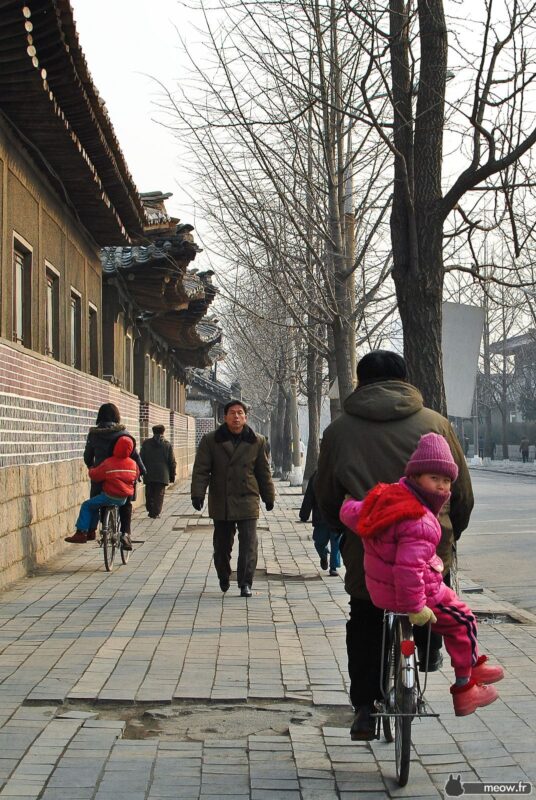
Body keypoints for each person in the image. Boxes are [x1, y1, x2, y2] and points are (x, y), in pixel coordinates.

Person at [316, 350, 474, 740]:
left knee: (365, 616)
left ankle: (366, 710)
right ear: (406, 379)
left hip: (369, 546)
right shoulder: (435, 423)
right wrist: (449, 536)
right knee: (432, 593)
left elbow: (327, 497)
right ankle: (427, 646)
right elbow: (463, 494)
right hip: (427, 540)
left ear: (360, 381)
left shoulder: (339, 430)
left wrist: (348, 530)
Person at [340, 433, 502, 717]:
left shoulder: (388, 496)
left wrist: (345, 505)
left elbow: (355, 512)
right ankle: (466, 686)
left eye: (446, 481)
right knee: (463, 619)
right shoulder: (421, 521)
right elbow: (408, 569)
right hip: (413, 593)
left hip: (381, 589)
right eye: (434, 478)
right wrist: (416, 608)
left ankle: (472, 666)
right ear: (415, 476)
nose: (441, 487)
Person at [191, 400, 275, 597]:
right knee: (221, 545)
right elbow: (201, 470)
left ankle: (245, 582)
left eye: (240, 413)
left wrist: (268, 496)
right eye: (232, 413)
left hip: (248, 498)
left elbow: (263, 472)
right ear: (224, 417)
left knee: (249, 543)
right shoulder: (211, 440)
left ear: (246, 417)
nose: (236, 417)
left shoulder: (257, 441)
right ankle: (223, 573)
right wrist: (198, 494)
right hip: (222, 499)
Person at [66, 403, 145, 548]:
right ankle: (126, 534)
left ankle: (92, 530)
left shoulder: (94, 434)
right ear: (117, 417)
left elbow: (87, 456)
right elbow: (134, 455)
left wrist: (92, 466)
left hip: (101, 475)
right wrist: (141, 471)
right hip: (122, 479)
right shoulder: (124, 434)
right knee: (125, 504)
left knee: (96, 501)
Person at [69, 436, 140, 543]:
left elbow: (96, 475)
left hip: (108, 496)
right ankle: (122, 534)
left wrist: (91, 469)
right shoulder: (133, 464)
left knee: (87, 505)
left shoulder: (109, 462)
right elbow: (136, 476)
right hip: (124, 498)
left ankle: (82, 532)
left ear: (116, 447)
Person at [300, 470, 342, 576]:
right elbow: (309, 496)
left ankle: (333, 567)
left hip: (336, 516)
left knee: (336, 543)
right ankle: (323, 555)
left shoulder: (339, 474)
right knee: (319, 542)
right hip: (321, 518)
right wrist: (304, 515)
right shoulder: (316, 475)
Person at [140, 425, 177, 518]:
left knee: (149, 492)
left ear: (153, 432)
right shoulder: (167, 445)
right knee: (159, 494)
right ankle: (156, 511)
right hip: (162, 474)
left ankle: (150, 508)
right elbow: (171, 461)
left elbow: (141, 458)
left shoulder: (146, 444)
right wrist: (172, 474)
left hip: (149, 473)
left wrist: (141, 471)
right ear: (163, 432)